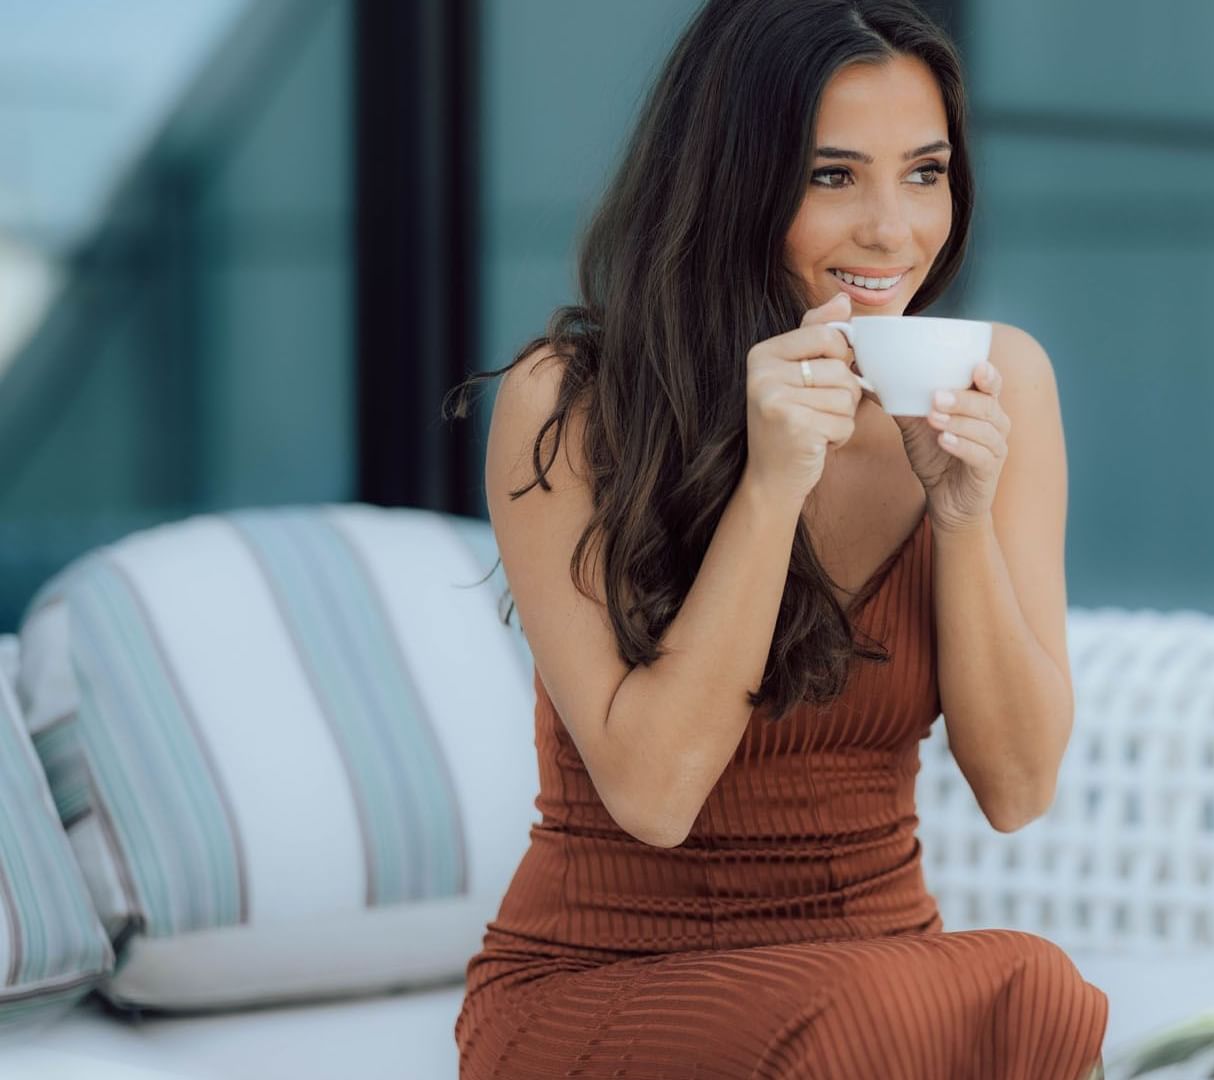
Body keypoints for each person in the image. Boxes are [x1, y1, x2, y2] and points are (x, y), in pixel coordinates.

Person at [443, 1, 1105, 1076]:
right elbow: (654, 796)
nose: (893, 230)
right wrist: (772, 483)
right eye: (832, 176)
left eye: (925, 173)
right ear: (733, 181)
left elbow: (1019, 786)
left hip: (874, 964)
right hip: (604, 979)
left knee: (1037, 991)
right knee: (866, 1018)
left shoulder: (1001, 382)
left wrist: (961, 511)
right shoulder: (571, 404)